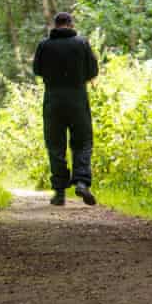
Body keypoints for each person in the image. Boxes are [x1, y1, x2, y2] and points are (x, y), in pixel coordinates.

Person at [33, 12, 98, 206]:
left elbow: (37, 70)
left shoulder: (44, 45)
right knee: (83, 142)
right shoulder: (82, 43)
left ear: (55, 25)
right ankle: (81, 182)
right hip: (78, 100)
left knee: (55, 145)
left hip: (53, 101)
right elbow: (93, 71)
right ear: (71, 24)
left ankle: (59, 192)